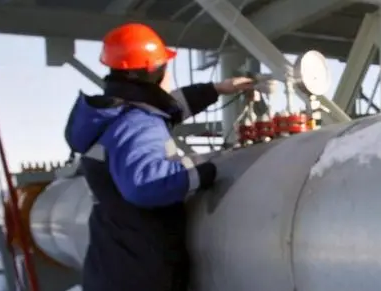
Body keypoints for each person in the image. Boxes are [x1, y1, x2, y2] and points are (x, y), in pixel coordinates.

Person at [63, 23, 255, 291]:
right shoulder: (138, 122)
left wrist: (216, 89)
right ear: (154, 73)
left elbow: (167, 108)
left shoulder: (116, 112)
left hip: (114, 264)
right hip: (141, 273)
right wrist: (205, 169)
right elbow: (145, 186)